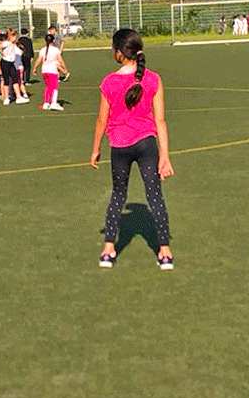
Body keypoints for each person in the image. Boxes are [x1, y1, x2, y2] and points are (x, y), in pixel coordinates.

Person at [89, 28, 174, 269]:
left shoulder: (110, 82)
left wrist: (96, 149)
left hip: (119, 146)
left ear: (118, 54)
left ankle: (108, 249)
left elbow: (101, 120)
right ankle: (164, 251)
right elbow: (160, 121)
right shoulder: (153, 79)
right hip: (147, 144)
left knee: (118, 194)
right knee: (154, 194)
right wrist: (165, 155)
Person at [31, 33, 68, 111]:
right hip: (52, 71)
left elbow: (38, 60)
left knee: (48, 87)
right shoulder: (55, 50)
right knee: (55, 87)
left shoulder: (43, 50)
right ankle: (54, 103)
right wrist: (65, 69)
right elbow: (60, 60)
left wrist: (35, 68)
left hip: (44, 71)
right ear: (53, 41)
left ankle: (46, 103)